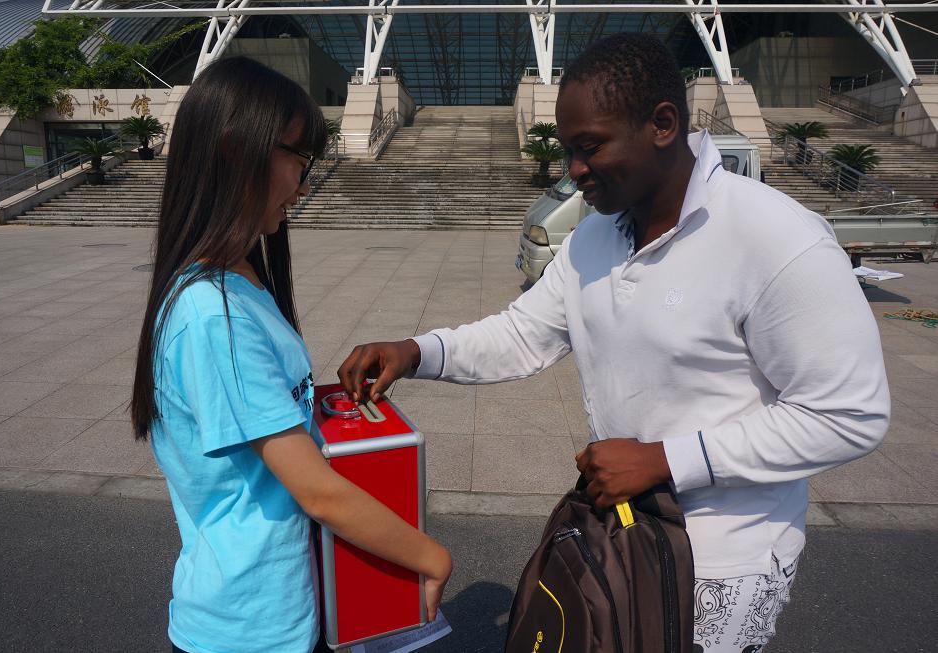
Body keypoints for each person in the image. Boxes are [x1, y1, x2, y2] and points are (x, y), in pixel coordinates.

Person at [339, 34, 889, 652]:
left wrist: (665, 460)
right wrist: (418, 351)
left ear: (663, 124)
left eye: (591, 146)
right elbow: (523, 333)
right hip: (621, 531)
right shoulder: (593, 238)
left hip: (724, 558)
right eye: (569, 149)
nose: (574, 169)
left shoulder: (777, 238)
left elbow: (847, 414)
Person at [130, 57, 452, 653]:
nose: (304, 188)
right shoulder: (212, 314)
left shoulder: (241, 278)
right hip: (247, 630)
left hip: (281, 610)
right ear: (237, 151)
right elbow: (316, 491)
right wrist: (431, 558)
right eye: (300, 162)